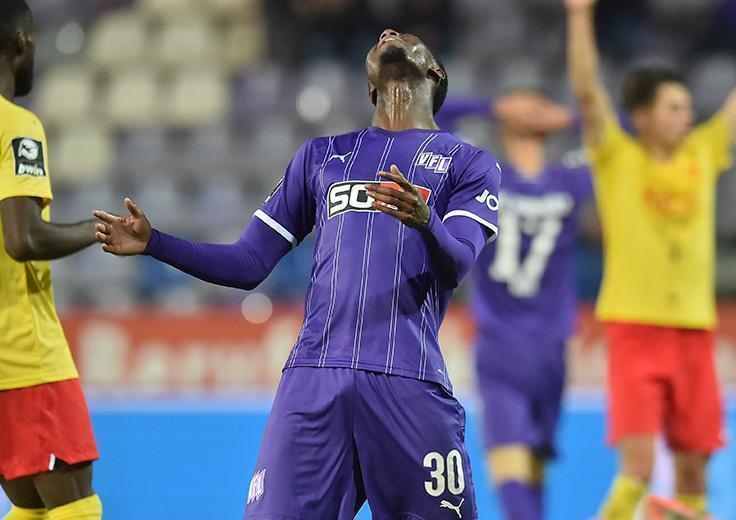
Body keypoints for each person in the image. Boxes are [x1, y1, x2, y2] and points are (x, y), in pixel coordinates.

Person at [94, 28, 501, 520]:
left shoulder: (470, 163)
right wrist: (155, 243)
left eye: (403, 34)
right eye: (380, 36)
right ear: (369, 87)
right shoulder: (321, 156)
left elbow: (459, 263)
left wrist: (426, 221)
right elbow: (249, 263)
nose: (387, 33)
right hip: (314, 379)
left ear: (434, 71)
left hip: (408, 379)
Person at [564, 0, 736, 517]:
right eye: (673, 108)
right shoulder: (617, 156)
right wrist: (579, 17)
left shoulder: (703, 151)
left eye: (687, 107)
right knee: (637, 473)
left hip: (694, 330)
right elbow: (587, 90)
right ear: (642, 117)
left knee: (694, 475)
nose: (686, 116)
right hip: (635, 328)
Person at [437, 91, 594, 520]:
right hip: (516, 344)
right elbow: (429, 122)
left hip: (537, 345)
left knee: (527, 467)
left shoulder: (492, 178)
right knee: (515, 465)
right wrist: (569, 117)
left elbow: (630, 131)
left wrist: (497, 108)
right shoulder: (550, 181)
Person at [0, 1, 103, 519]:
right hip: (24, 351)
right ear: (22, 42)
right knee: (74, 508)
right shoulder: (16, 125)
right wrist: (100, 228)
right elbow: (23, 239)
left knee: (30, 507)